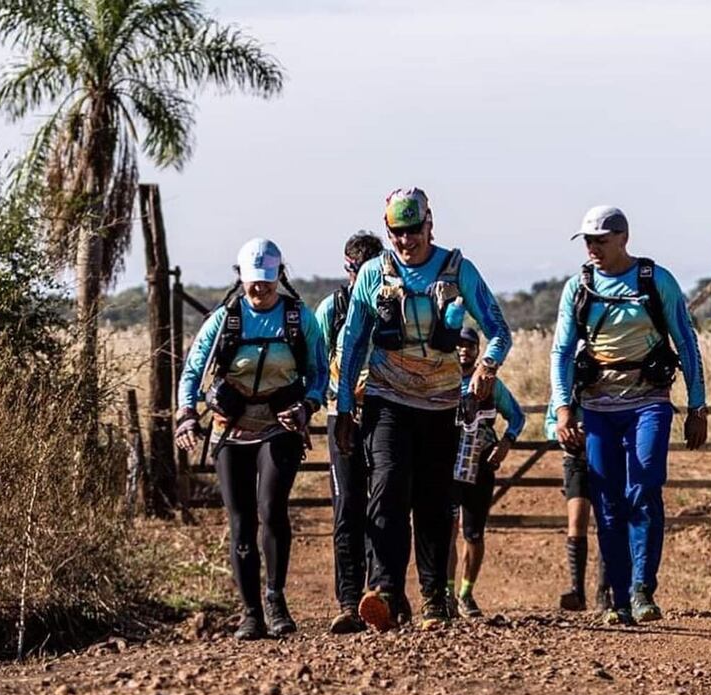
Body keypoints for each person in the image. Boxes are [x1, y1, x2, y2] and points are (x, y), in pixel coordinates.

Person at [335, 187, 512, 631]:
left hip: (441, 403)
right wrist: (342, 408)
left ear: (430, 224)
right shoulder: (374, 274)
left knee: (434, 501)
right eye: (397, 233)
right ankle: (386, 593)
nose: (406, 241)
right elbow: (353, 341)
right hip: (386, 398)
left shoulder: (459, 271)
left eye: (414, 231)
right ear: (387, 229)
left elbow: (499, 330)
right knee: (388, 489)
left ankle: (435, 599)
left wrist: (487, 365)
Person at [550, 206, 707, 625]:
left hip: (649, 401)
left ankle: (642, 589)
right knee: (608, 502)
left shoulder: (655, 281)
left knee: (645, 486)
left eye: (600, 240)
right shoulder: (577, 288)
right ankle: (618, 598)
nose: (592, 248)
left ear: (623, 238)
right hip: (599, 407)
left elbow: (686, 343)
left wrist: (697, 405)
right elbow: (562, 351)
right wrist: (563, 408)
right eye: (587, 241)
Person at [175, 238, 328, 640]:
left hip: (281, 424)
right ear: (240, 278)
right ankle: (250, 612)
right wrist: (187, 415)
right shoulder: (224, 320)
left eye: (267, 281)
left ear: (279, 275)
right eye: (252, 281)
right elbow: (192, 372)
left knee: (272, 507)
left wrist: (307, 405)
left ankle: (275, 599)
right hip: (232, 426)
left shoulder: (299, 319)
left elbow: (318, 370)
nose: (260, 289)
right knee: (241, 521)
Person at [315, 231, 383, 634]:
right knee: (347, 509)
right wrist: (339, 394)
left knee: (384, 503)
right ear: (348, 268)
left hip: (384, 413)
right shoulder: (332, 309)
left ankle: (379, 594)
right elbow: (318, 363)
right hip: (340, 415)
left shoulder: (394, 305)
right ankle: (347, 599)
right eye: (358, 270)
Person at [448, 326, 525, 618]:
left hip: (480, 464)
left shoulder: (491, 385)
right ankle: (446, 593)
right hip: (448, 465)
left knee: (474, 533)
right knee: (447, 529)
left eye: (470, 346)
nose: (464, 350)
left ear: (479, 351)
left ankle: (466, 593)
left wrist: (506, 442)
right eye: (459, 345)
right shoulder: (442, 380)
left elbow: (517, 416)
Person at [543, 401, 610, 611]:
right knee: (576, 522)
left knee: (607, 523)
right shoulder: (562, 394)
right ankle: (577, 590)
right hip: (575, 458)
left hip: (606, 457)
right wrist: (563, 433)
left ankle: (604, 592)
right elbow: (549, 424)